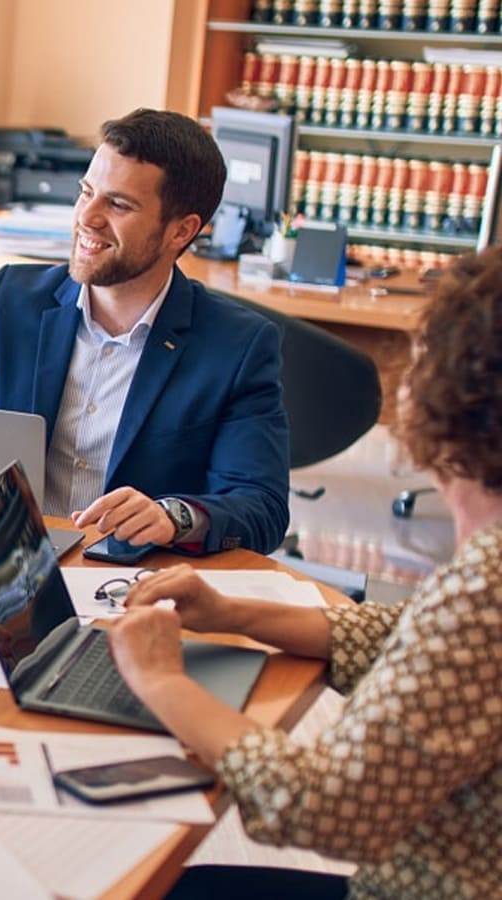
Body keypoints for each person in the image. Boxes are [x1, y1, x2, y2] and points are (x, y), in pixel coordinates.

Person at [110, 245, 502, 898]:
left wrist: (160, 681)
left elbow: (325, 806)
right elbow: (429, 642)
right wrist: (238, 613)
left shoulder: (484, 588)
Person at [0, 108, 289, 555]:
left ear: (182, 230)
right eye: (86, 192)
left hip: (134, 583)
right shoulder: (12, 300)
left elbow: (261, 507)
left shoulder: (238, 347)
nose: (87, 218)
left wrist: (172, 516)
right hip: (10, 564)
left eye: (118, 204)